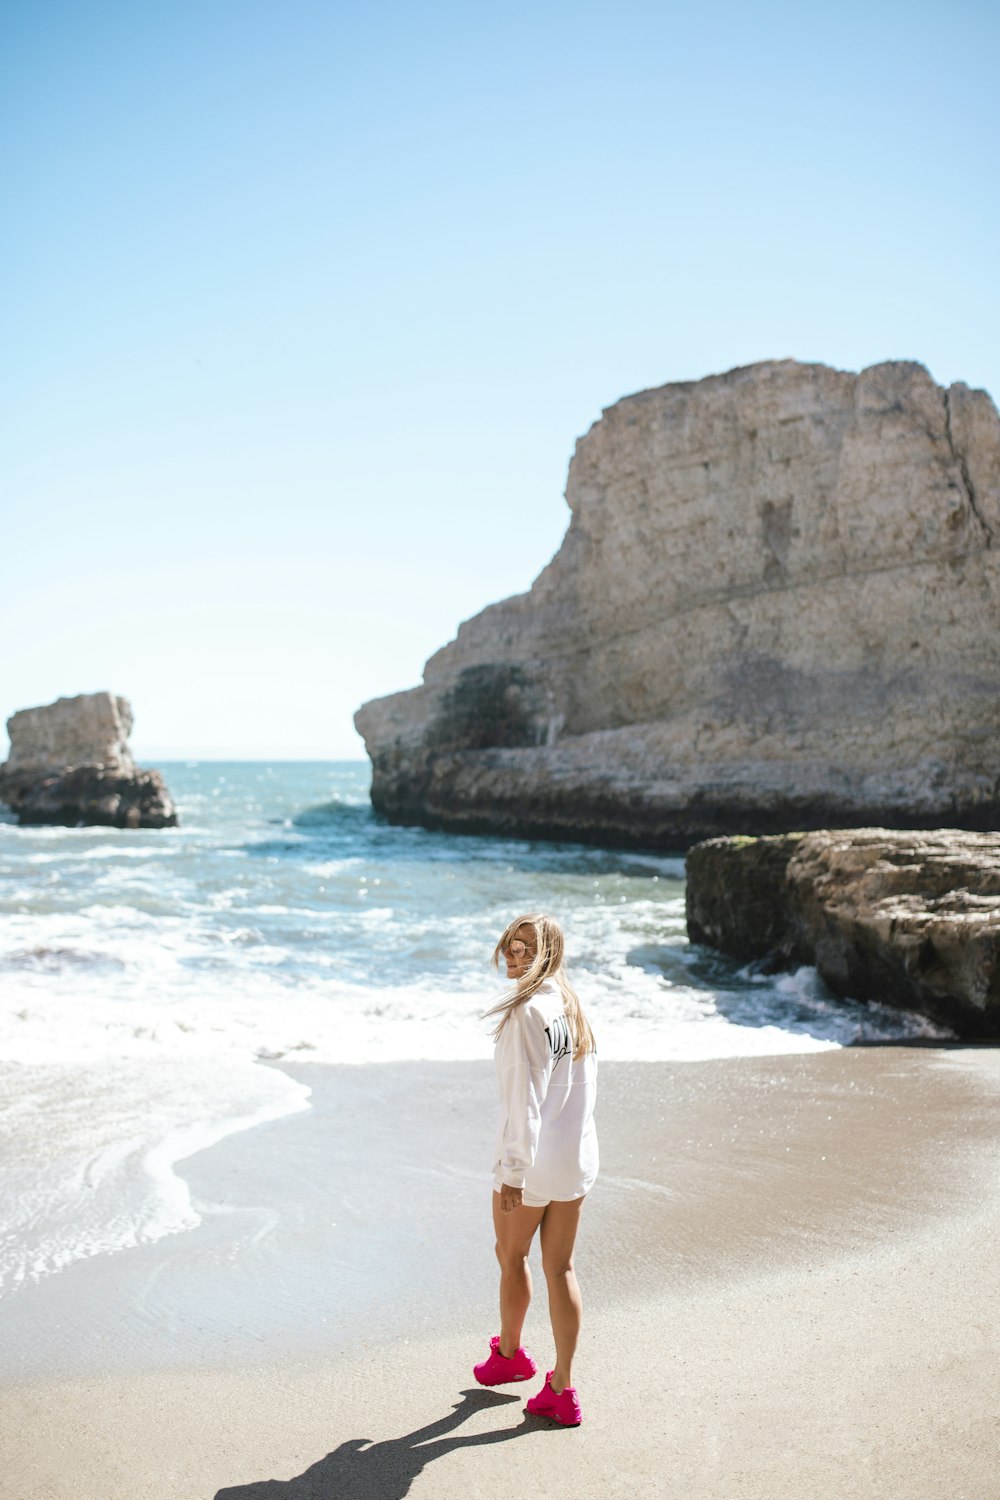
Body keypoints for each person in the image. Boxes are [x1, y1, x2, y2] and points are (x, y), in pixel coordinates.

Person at [472, 913, 598, 1427]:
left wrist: (513, 1174)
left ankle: (509, 1358)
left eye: (524, 948)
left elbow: (523, 1102)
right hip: (574, 1157)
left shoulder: (525, 1013)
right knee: (560, 1268)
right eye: (509, 945)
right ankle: (562, 1389)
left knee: (511, 1255)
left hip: (534, 1164)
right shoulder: (571, 1004)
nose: (513, 956)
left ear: (548, 952)